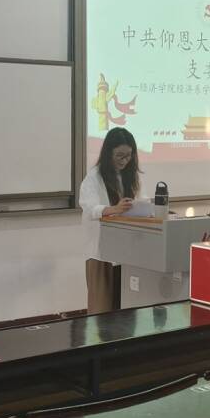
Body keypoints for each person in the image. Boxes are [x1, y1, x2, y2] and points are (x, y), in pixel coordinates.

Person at [79, 127, 142, 313]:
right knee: (102, 309)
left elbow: (139, 201)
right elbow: (90, 208)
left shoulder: (130, 176)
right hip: (101, 253)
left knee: (125, 308)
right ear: (108, 153)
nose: (124, 160)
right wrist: (114, 209)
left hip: (126, 250)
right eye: (119, 156)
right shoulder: (94, 177)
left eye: (128, 156)